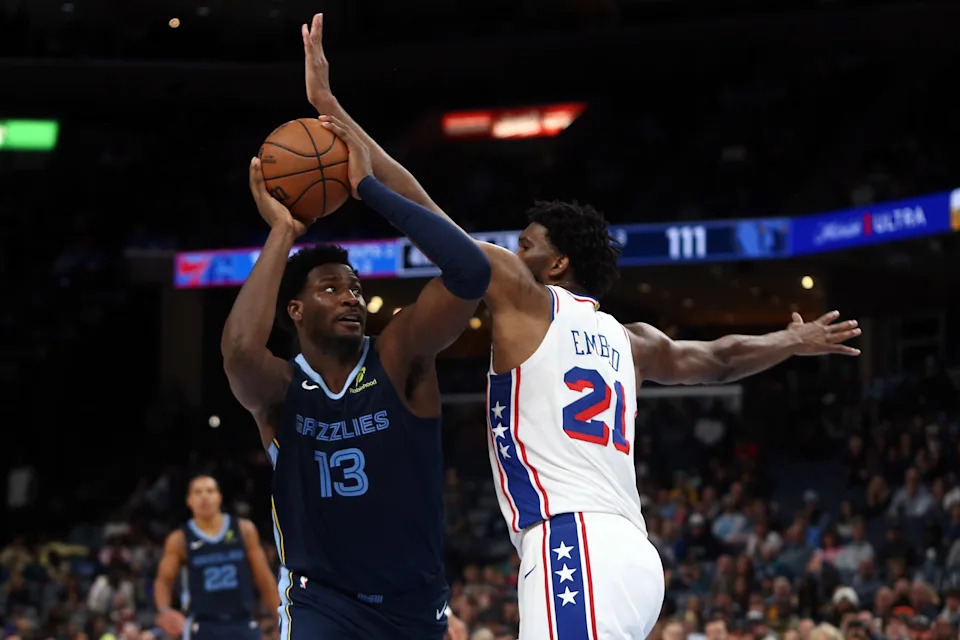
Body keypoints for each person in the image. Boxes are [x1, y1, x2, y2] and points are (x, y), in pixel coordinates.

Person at [303, 13, 863, 638]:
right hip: (630, 553)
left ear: (559, 262)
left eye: (527, 242)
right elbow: (722, 358)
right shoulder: (634, 341)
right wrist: (789, 340)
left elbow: (427, 210)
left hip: (573, 542)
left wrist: (334, 111)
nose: (516, 251)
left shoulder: (523, 294)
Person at [221, 104, 488, 637]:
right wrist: (282, 233)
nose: (350, 298)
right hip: (324, 601)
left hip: (414, 602)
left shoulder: (398, 355)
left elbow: (470, 269)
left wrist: (367, 188)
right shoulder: (281, 388)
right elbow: (239, 352)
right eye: (330, 288)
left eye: (355, 289)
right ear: (295, 310)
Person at [153, 475, 278, 639]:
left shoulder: (243, 530)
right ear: (189, 500)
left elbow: (264, 579)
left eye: (210, 491)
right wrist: (165, 610)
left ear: (219, 497)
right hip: (201, 625)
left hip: (243, 621)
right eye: (198, 492)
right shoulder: (180, 539)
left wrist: (280, 618)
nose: (204, 496)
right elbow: (164, 580)